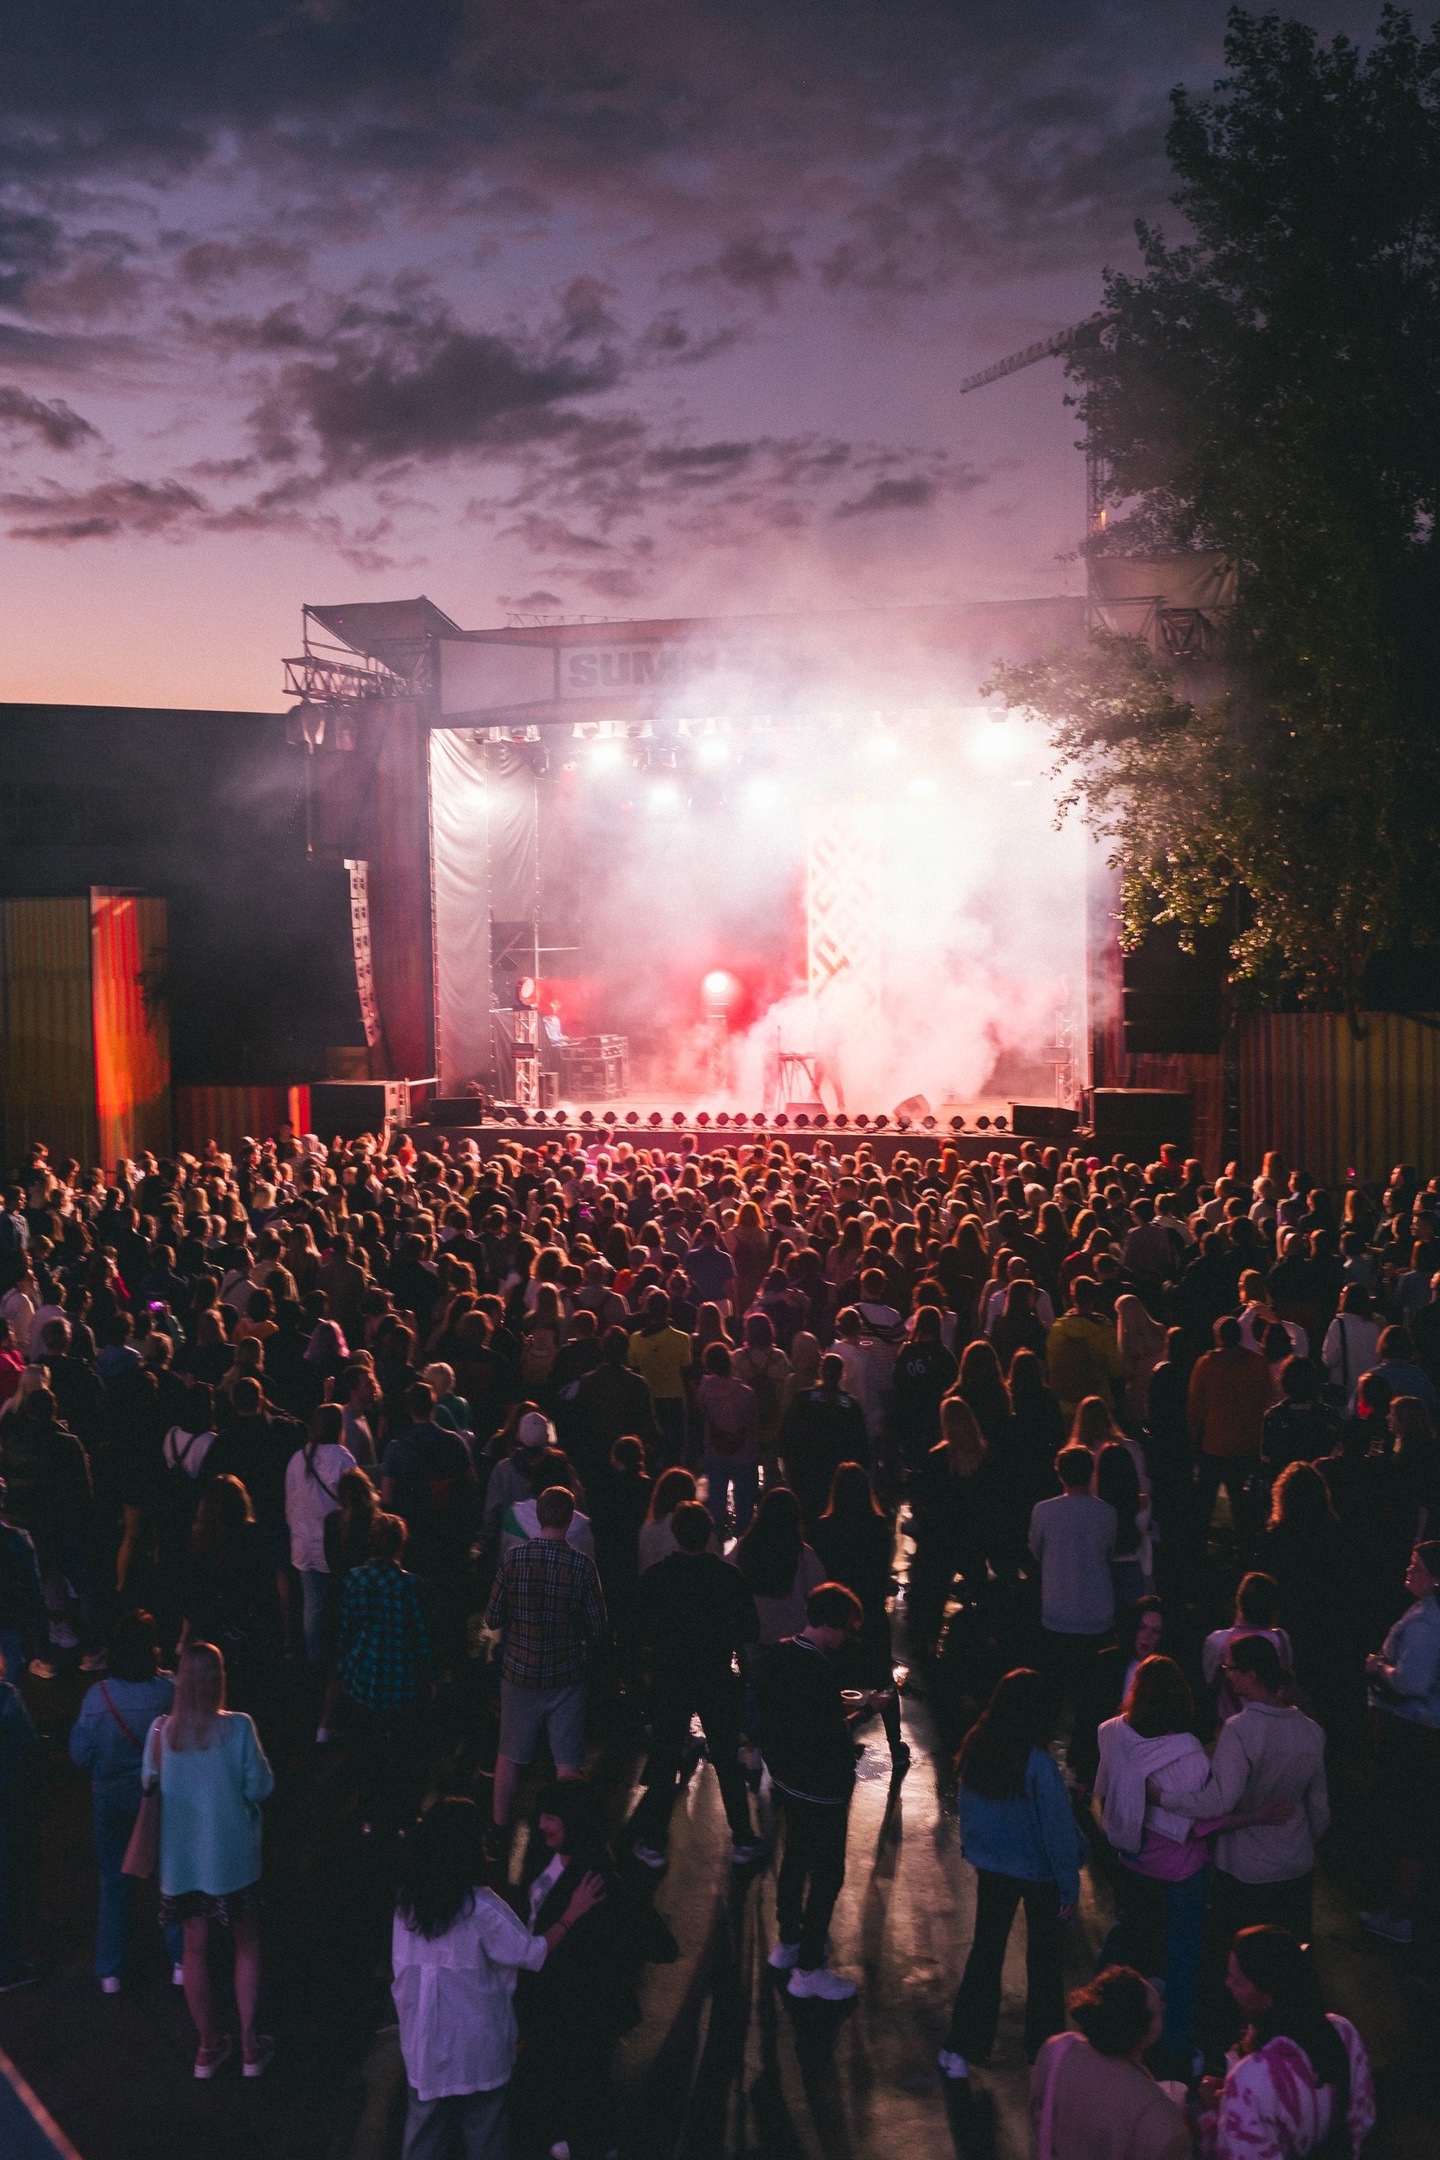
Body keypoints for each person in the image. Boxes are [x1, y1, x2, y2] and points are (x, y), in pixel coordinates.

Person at [391, 1795, 603, 2160]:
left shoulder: (407, 1906)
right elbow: (531, 1953)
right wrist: (571, 1914)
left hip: (424, 2047)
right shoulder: (481, 1907)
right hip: (479, 2050)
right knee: (484, 2134)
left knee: (423, 2138)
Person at [1161, 1632, 1330, 2061]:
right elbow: (1320, 1811)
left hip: (1245, 1871)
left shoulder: (1240, 1731)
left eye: (1231, 1668)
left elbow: (1217, 1802)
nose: (1226, 1675)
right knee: (1285, 1971)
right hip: (1295, 1868)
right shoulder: (1311, 1732)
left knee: (1235, 1969)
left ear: (1250, 1674)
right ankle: (1287, 2052)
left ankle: (1227, 2054)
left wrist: (1161, 1797)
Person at [939, 1666, 1085, 2082]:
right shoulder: (1038, 1764)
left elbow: (971, 1812)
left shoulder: (977, 1747)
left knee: (986, 1952)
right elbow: (1057, 1835)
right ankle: (1044, 2052)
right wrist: (1069, 1888)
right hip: (1039, 1875)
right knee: (1044, 1962)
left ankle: (960, 2048)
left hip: (994, 1868)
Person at [141, 1640, 276, 2079]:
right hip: (233, 1859)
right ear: (220, 1679)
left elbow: (149, 1783)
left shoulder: (161, 1731)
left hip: (182, 1864)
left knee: (194, 1947)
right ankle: (251, 2045)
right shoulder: (238, 1728)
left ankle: (206, 2047)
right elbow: (260, 1788)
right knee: (247, 1943)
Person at [1095, 1656, 1217, 2079]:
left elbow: (1105, 1792)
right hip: (1182, 1874)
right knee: (1183, 1960)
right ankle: (1175, 2051)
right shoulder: (1192, 1754)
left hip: (1133, 1862)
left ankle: (1102, 2014)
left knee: (1128, 1938)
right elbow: (1200, 1821)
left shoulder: (1110, 1734)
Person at [759, 1580, 876, 2001]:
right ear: (830, 1624)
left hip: (788, 1780)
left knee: (793, 1860)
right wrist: (866, 1710)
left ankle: (788, 1941)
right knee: (827, 1874)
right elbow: (831, 1731)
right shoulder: (819, 1668)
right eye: (846, 1628)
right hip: (822, 1788)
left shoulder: (779, 1653)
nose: (847, 1637)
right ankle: (809, 1968)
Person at [630, 1500, 763, 1867]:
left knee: (665, 1755)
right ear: (708, 1534)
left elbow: (638, 1630)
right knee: (726, 1759)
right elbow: (750, 1630)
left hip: (670, 1677)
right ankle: (743, 1837)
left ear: (675, 1534)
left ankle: (655, 1841)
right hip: (716, 1676)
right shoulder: (728, 1577)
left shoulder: (657, 1576)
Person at [484, 1485, 608, 1839]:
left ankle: (497, 1829)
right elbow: (598, 1627)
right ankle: (568, 1835)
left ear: (538, 1516)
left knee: (509, 1756)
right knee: (567, 1763)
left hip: (519, 1674)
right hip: (566, 1676)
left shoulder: (513, 1559)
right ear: (570, 1519)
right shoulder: (583, 1566)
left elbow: (492, 1618)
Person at [69, 1608, 182, 1993]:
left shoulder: (97, 1696)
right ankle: (181, 1960)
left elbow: (79, 1754)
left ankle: (110, 1970)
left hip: (110, 1798)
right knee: (172, 1877)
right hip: (157, 1797)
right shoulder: (166, 1692)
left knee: (113, 1882)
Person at [1197, 1927, 1375, 2160]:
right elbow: (1363, 2117)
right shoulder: (1343, 2032)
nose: (1227, 1983)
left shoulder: (1249, 2080)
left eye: (1238, 1980)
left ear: (1268, 1998)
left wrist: (1214, 2113)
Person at [1358, 1538, 1440, 1944]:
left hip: (1410, 1730)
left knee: (1408, 1820)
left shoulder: (1427, 1622)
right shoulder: (1425, 1613)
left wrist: (1379, 1668)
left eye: (1417, 1566)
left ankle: (1400, 1913)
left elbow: (1413, 1681)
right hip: (1417, 1730)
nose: (1410, 1571)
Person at [335, 1512, 437, 1839]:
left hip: (364, 1677)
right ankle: (403, 1818)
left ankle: (368, 1815)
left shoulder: (353, 1579)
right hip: (402, 1680)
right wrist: (430, 1677)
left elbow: (346, 1630)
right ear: (401, 1544)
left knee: (368, 1751)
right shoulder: (413, 1585)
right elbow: (421, 1638)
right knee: (404, 1753)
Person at [1030, 1967, 1190, 2160]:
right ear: (1144, 2033)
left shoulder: (1057, 2050)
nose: (1163, 2005)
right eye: (1159, 2010)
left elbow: (1038, 2116)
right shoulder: (1157, 2115)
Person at [813, 1461, 909, 1775]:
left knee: (833, 1681)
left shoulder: (824, 1528)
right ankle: (896, 1746)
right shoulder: (879, 1529)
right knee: (883, 1682)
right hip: (870, 1615)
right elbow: (883, 1573)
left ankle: (835, 1741)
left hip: (836, 1615)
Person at [1029, 1444, 1117, 1707]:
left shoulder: (1043, 1511)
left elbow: (1036, 1551)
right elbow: (1108, 1553)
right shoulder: (1107, 1513)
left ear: (1060, 1475)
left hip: (1057, 1610)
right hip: (1097, 1614)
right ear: (1091, 1473)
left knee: (1054, 1691)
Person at [1188, 1316, 1272, 1559]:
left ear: (1218, 1337)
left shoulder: (1205, 1365)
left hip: (1214, 1444)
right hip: (1247, 1444)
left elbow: (1195, 1408)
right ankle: (1247, 1554)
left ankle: (1197, 1554)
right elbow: (1265, 1400)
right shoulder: (1258, 1364)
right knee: (1243, 1506)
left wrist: (1193, 1440)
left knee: (1204, 1504)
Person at [777, 1351, 868, 1534]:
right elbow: (861, 1448)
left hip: (805, 1474)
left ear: (821, 1371)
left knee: (807, 1523)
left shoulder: (803, 1399)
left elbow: (786, 1433)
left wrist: (787, 1464)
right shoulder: (851, 1406)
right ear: (843, 1374)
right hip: (837, 1476)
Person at [696, 1340, 761, 1535]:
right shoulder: (745, 1393)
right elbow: (753, 1424)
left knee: (716, 1502)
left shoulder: (704, 1390)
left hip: (715, 1452)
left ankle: (715, 1542)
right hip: (744, 1454)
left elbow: (701, 1413)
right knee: (745, 1505)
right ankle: (743, 1547)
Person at [625, 1290, 691, 1467]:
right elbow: (686, 1370)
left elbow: (633, 1367)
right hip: (673, 1398)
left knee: (650, 1450)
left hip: (647, 1398)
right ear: (668, 1309)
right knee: (674, 1451)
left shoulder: (636, 1339)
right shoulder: (682, 1338)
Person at [1046, 1278, 1122, 1422]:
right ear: (1094, 1297)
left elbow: (1052, 1364)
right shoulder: (1105, 1330)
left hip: (1067, 1405)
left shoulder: (1058, 1329)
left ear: (1072, 1297)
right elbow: (1115, 1369)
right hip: (1098, 1402)